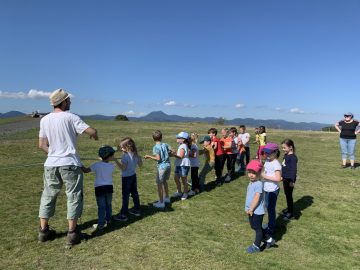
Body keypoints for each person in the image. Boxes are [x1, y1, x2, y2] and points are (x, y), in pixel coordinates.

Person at [38, 88, 98, 246]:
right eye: (69, 100)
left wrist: (54, 153)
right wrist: (95, 135)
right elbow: (92, 131)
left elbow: (42, 145)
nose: (70, 102)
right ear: (63, 102)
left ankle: (43, 231)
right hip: (70, 164)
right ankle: (72, 233)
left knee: (48, 195)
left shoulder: (44, 120)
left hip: (51, 164)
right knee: (73, 196)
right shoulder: (71, 117)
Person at [82, 145, 120, 230]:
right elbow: (106, 162)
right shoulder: (111, 166)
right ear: (109, 157)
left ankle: (101, 224)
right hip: (109, 188)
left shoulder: (96, 165)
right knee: (108, 205)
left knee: (101, 207)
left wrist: (79, 165)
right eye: (112, 155)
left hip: (99, 189)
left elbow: (86, 170)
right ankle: (109, 219)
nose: (113, 157)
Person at [115, 137, 142, 221]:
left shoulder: (125, 156)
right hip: (133, 176)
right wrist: (139, 158)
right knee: (134, 193)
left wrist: (116, 161)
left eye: (122, 147)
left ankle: (123, 214)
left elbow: (123, 168)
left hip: (126, 178)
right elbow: (140, 165)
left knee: (125, 196)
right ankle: (137, 210)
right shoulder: (136, 154)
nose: (121, 149)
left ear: (128, 146)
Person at [144, 130, 171, 209]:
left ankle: (161, 202)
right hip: (168, 165)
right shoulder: (165, 144)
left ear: (153, 138)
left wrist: (148, 156)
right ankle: (167, 198)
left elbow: (158, 159)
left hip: (162, 167)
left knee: (159, 184)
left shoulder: (155, 147)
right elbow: (172, 150)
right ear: (161, 137)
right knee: (165, 182)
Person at [261, 143, 281, 248]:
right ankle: (270, 224)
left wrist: (265, 176)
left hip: (273, 190)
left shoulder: (276, 164)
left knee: (270, 209)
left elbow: (278, 179)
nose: (266, 155)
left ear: (275, 152)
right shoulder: (268, 161)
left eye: (269, 153)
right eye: (265, 153)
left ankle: (271, 227)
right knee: (267, 207)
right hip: (266, 188)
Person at [244, 159, 265, 253]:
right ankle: (268, 238)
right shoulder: (251, 182)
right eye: (249, 172)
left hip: (257, 211)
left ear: (259, 173)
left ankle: (256, 246)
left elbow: (256, 197)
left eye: (254, 173)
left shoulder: (259, 184)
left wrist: (251, 208)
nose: (251, 175)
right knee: (254, 226)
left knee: (257, 228)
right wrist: (248, 208)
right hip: (251, 209)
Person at [171, 132, 191, 200]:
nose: (177, 138)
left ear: (183, 139)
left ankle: (185, 193)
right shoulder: (181, 145)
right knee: (176, 178)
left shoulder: (183, 146)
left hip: (184, 165)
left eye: (178, 137)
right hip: (179, 165)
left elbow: (181, 156)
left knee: (183, 180)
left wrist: (173, 154)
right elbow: (179, 155)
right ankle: (179, 191)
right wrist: (173, 154)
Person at [281, 139, 298, 221]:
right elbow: (284, 167)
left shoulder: (293, 158)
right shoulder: (286, 155)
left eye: (284, 148)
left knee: (289, 195)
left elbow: (293, 170)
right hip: (285, 178)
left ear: (290, 147)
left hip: (289, 180)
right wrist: (281, 176)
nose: (283, 149)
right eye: (282, 148)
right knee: (287, 194)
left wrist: (292, 181)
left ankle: (290, 213)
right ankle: (289, 209)